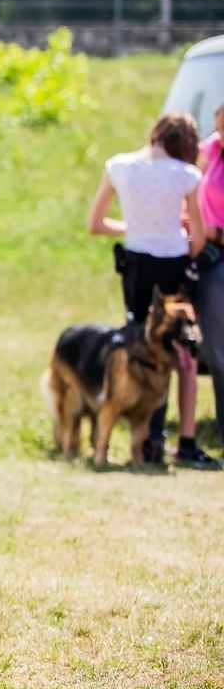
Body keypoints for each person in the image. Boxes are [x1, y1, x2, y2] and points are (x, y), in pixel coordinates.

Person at [87, 110, 218, 468]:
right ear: (186, 145)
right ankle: (186, 441)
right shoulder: (186, 175)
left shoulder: (119, 166)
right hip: (173, 271)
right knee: (185, 355)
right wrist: (175, 229)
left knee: (138, 348)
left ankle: (145, 439)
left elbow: (95, 224)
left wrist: (133, 226)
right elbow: (197, 241)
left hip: (136, 269)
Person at [192, 103, 224, 439]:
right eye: (219, 129)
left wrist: (214, 232)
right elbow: (188, 186)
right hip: (211, 254)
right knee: (216, 347)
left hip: (216, 242)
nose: (221, 138)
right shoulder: (210, 149)